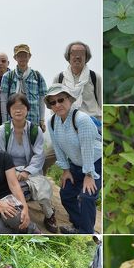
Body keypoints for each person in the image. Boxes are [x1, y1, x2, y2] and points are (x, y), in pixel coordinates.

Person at [0, 93, 58, 232]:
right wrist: (12, 171)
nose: (18, 110)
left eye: (22, 107)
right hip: (8, 170)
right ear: (9, 110)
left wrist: (26, 171)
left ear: (27, 110)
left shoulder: (35, 130)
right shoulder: (2, 130)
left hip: (30, 170)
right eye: (14, 107)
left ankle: (49, 215)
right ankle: (12, 212)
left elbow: (39, 155)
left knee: (42, 187)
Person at [45, 83, 102, 234]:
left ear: (70, 99)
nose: (57, 104)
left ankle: (86, 232)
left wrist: (89, 175)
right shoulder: (52, 122)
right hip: (76, 165)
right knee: (66, 194)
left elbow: (87, 148)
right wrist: (65, 170)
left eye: (61, 99)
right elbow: (57, 147)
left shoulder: (81, 119)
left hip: (95, 163)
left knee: (87, 197)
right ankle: (80, 226)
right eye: (53, 102)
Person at [0, 44, 48, 130]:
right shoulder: (8, 76)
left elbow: (42, 98)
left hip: (33, 121)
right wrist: (4, 122)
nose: (22, 58)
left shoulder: (37, 76)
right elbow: (3, 100)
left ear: (29, 56)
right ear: (15, 57)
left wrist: (42, 119)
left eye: (25, 55)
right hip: (13, 122)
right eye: (19, 56)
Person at [54, 41, 101, 121]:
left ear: (86, 57)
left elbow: (101, 102)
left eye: (81, 53)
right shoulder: (59, 78)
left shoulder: (95, 77)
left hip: (93, 122)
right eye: (74, 53)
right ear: (68, 57)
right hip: (67, 123)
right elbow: (54, 105)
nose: (78, 56)